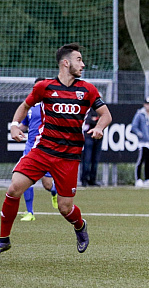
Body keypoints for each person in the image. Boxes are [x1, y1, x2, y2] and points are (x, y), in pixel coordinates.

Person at [1, 43, 112, 253]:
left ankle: (80, 226)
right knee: (14, 188)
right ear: (66, 63)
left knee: (65, 208)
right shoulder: (44, 87)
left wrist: (99, 128)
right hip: (42, 151)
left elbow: (106, 115)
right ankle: (3, 239)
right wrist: (15, 125)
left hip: (68, 158)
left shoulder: (87, 89)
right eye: (79, 60)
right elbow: (24, 106)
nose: (83, 64)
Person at [18, 77, 58, 222]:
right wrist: (16, 128)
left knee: (47, 184)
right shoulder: (29, 107)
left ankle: (54, 191)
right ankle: (30, 212)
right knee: (24, 178)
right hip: (30, 147)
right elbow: (24, 125)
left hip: (46, 147)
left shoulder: (52, 106)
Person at [132, 96, 149, 188]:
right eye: (147, 104)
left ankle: (147, 179)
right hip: (143, 143)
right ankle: (138, 179)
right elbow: (134, 127)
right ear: (144, 105)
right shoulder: (140, 114)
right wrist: (141, 135)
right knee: (141, 160)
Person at [81, 107, 103, 187]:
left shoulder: (101, 110)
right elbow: (88, 120)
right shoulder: (88, 109)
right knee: (87, 158)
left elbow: (105, 120)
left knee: (95, 160)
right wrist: (97, 122)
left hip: (98, 138)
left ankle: (92, 179)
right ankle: (84, 179)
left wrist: (96, 120)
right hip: (89, 136)